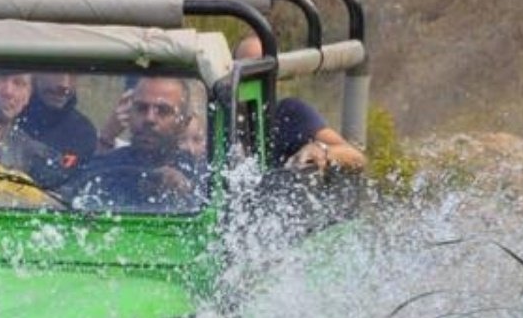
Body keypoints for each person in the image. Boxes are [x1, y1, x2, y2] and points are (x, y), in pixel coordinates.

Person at [64, 76, 207, 212]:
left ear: (184, 123)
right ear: (128, 114)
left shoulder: (203, 176)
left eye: (163, 111)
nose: (149, 118)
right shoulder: (102, 168)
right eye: (141, 108)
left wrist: (187, 194)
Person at [233, 36, 366, 173]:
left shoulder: (288, 113)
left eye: (264, 73)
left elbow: (356, 157)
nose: (256, 80)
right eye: (248, 72)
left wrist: (321, 150)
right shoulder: (223, 118)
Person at [16, 72, 99, 171]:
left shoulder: (83, 134)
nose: (64, 84)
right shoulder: (7, 114)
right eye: (57, 72)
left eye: (73, 74)